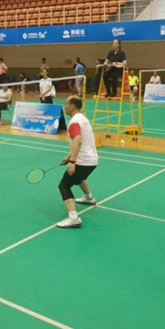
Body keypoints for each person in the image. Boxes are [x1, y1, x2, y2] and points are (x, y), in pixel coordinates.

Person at [56, 96, 99, 229]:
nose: (64, 106)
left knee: (64, 186)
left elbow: (78, 140)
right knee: (79, 178)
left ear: (73, 106)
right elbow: (83, 140)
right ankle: (89, 197)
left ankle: (74, 218)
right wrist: (69, 155)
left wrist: (72, 162)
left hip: (83, 161)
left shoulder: (74, 122)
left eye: (66, 104)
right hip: (92, 160)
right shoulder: (83, 119)